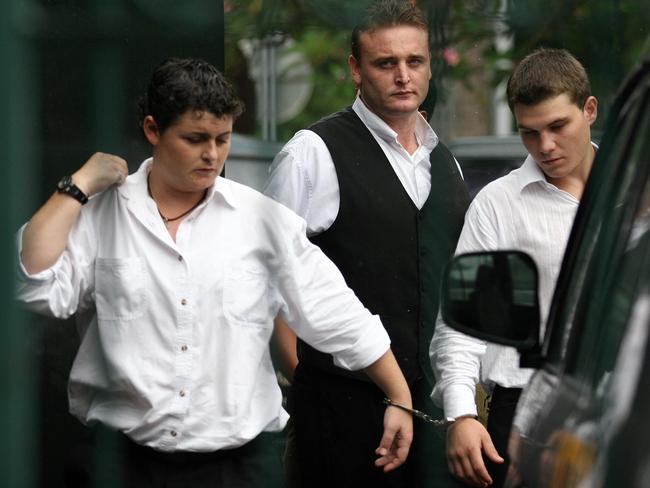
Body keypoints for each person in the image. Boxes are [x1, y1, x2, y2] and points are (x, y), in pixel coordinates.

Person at [15, 57, 415, 488]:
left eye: (222, 139)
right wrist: (78, 185)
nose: (211, 154)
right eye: (195, 138)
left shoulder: (262, 220)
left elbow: (336, 314)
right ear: (153, 130)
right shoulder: (103, 214)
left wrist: (400, 396)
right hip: (119, 463)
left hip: (237, 469)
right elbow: (32, 284)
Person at [262, 1, 469, 486]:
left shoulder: (448, 164)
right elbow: (270, 279)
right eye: (385, 63)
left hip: (433, 416)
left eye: (414, 62)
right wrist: (303, 379)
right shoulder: (312, 153)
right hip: (340, 417)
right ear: (356, 69)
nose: (402, 75)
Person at [430, 47, 598, 488]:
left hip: (623, 403)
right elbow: (461, 320)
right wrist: (461, 414)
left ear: (590, 110)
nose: (545, 146)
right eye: (529, 132)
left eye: (558, 126)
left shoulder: (632, 195)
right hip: (523, 413)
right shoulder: (498, 203)